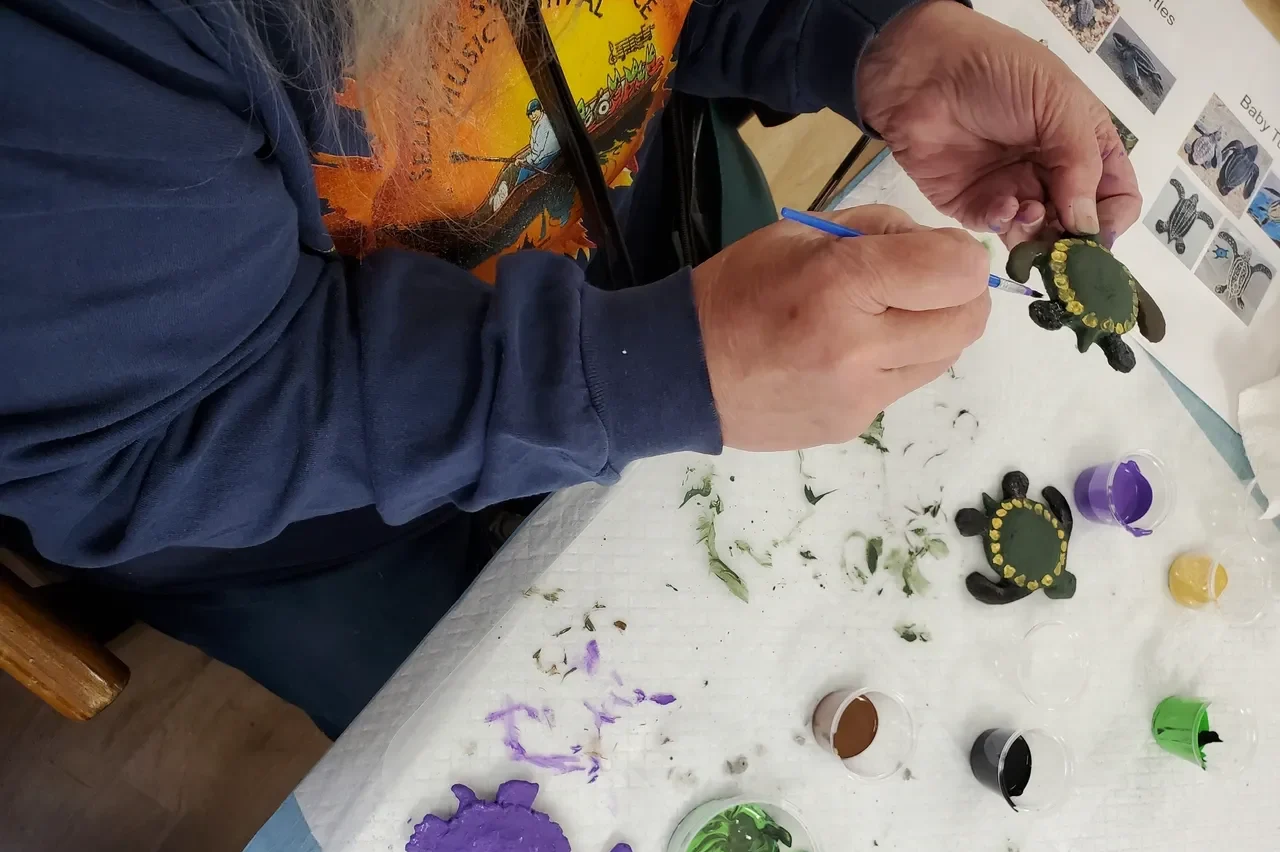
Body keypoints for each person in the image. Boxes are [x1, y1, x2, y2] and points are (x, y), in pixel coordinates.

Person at [0, 0, 1140, 737]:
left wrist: (871, 40)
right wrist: (643, 372)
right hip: (292, 505)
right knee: (569, 744)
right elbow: (147, 437)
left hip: (631, 230)